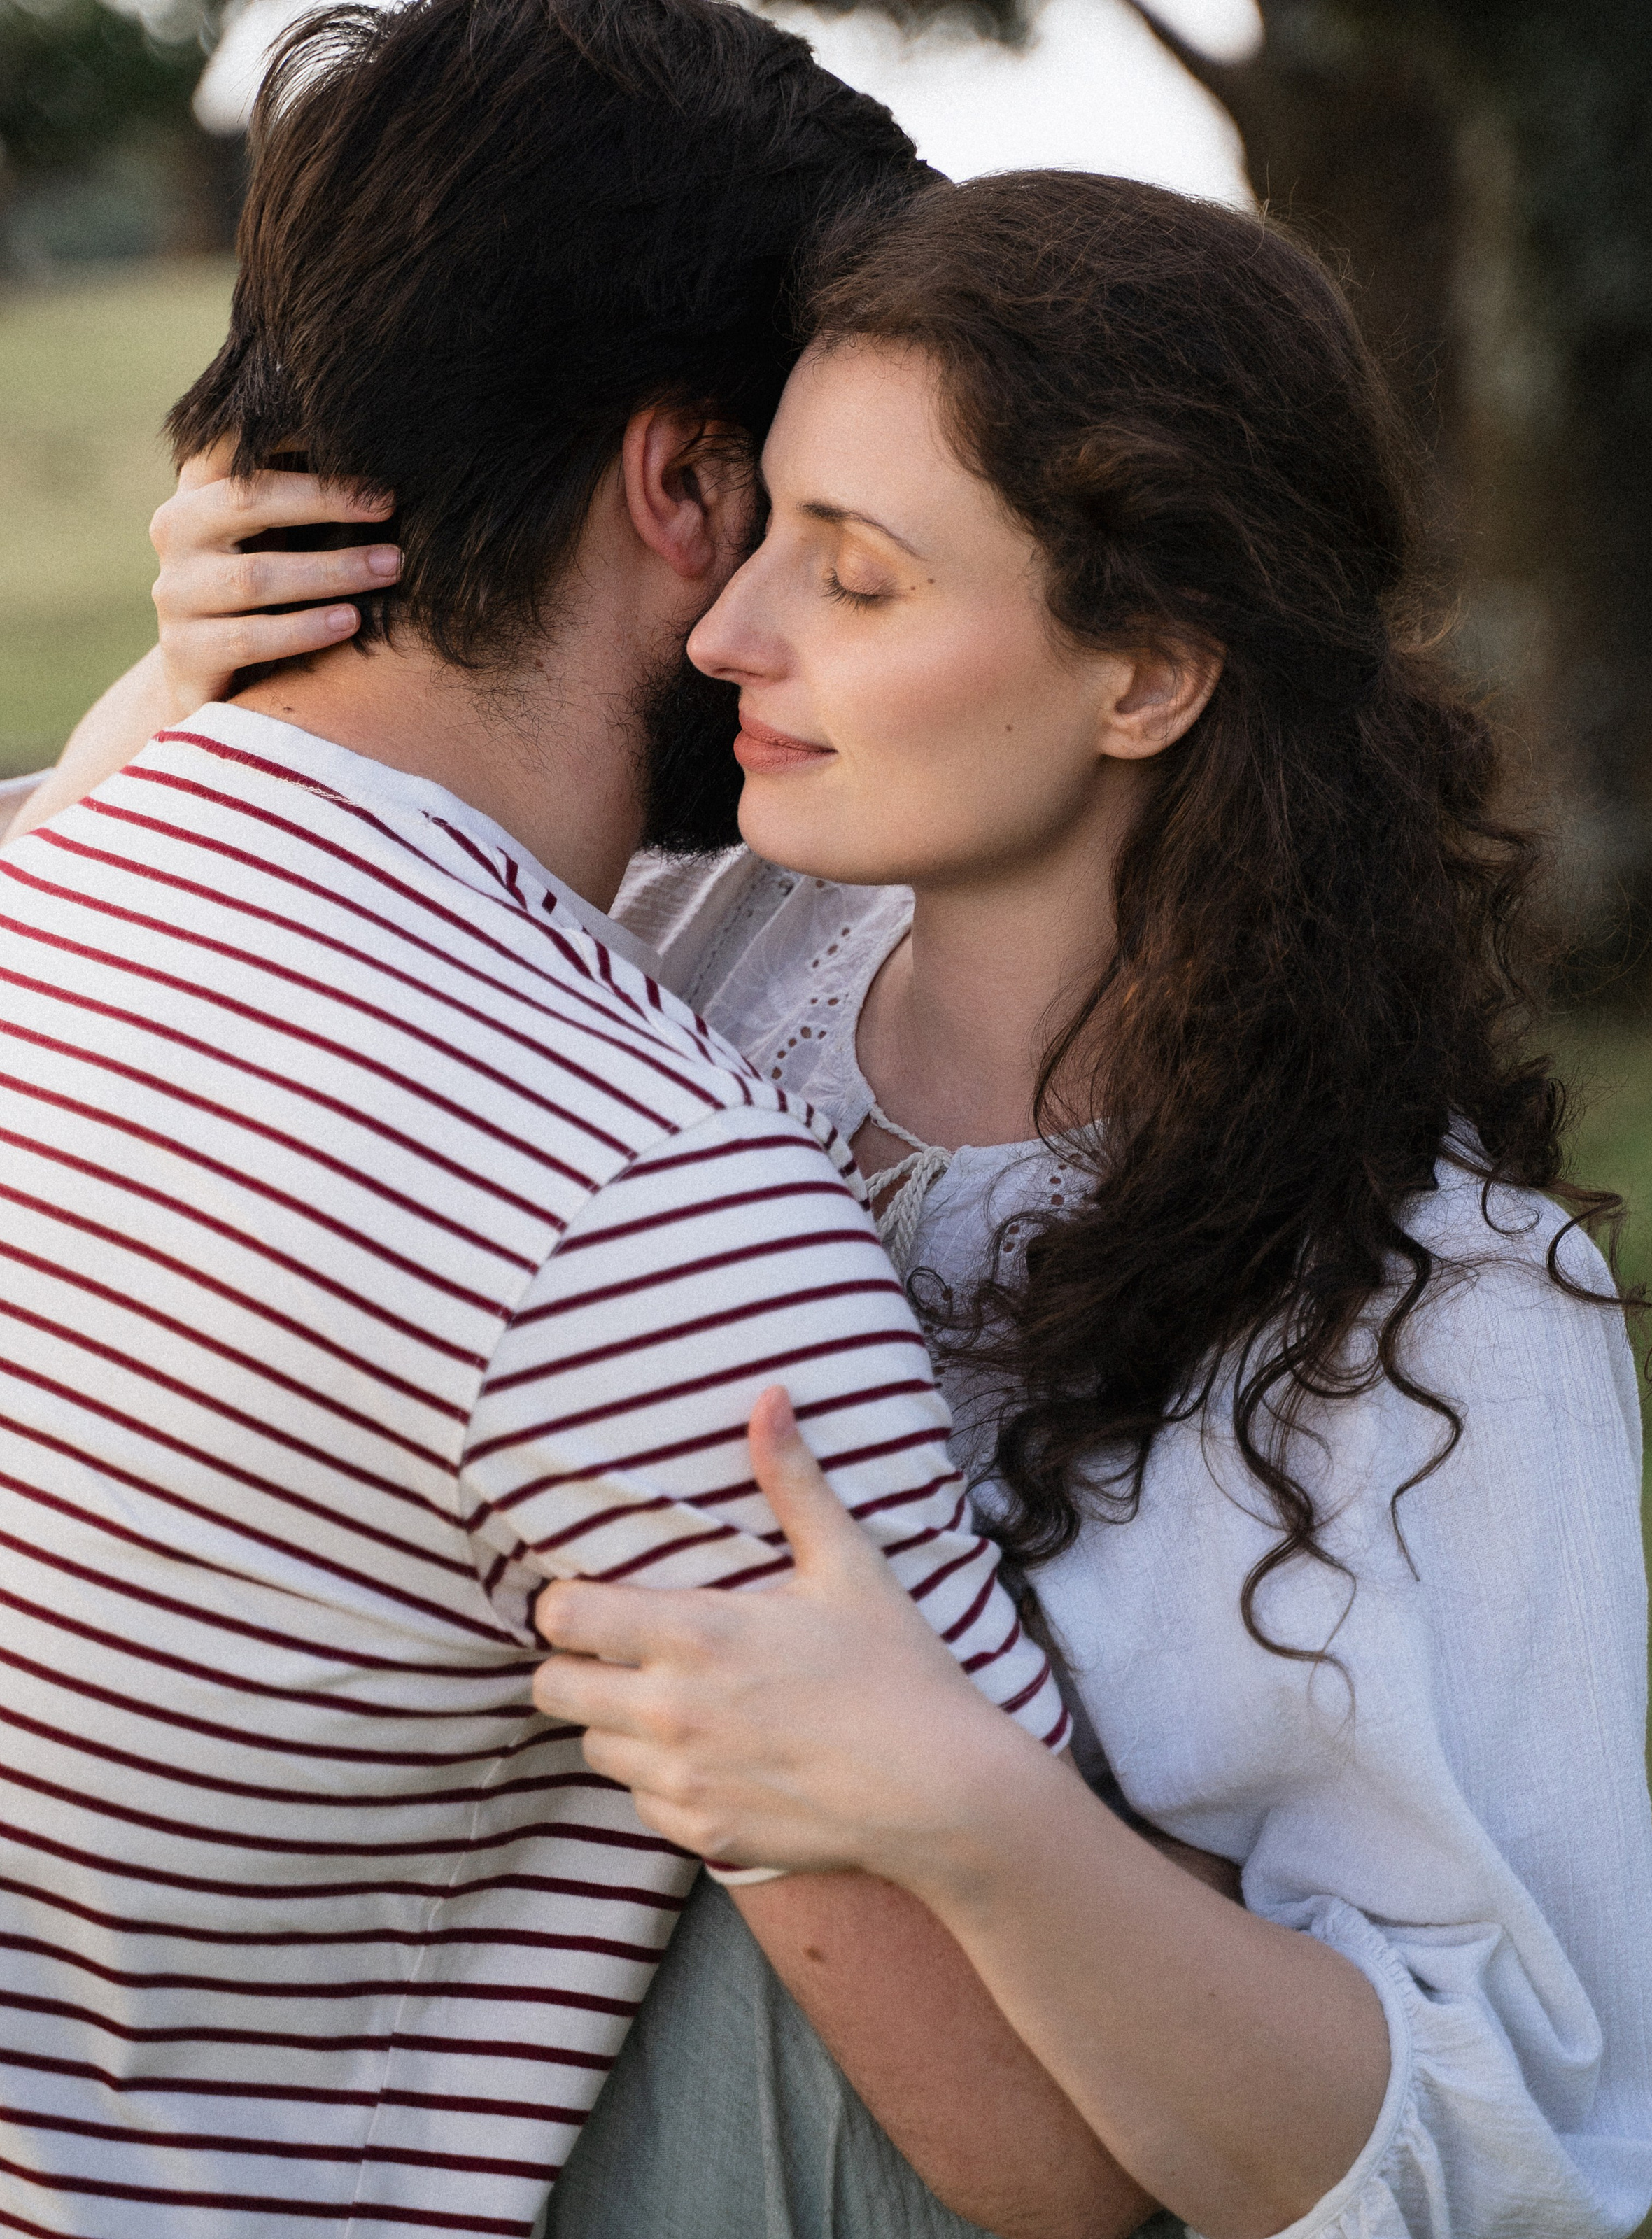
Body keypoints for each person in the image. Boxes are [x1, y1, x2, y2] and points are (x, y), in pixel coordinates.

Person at [20, 150, 1652, 2239]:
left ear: (1146, 675)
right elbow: (186, 984)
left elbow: (1505, 2155)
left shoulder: (1441, 1322)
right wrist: (204, 675)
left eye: (860, 575)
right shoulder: (693, 949)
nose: (726, 627)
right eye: (758, 530)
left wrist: (971, 1809)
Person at [0, 12, 1213, 2239]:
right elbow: (1067, 2166)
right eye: (831, 522)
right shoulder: (644, 1210)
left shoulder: (51, 878)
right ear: (683, 492)